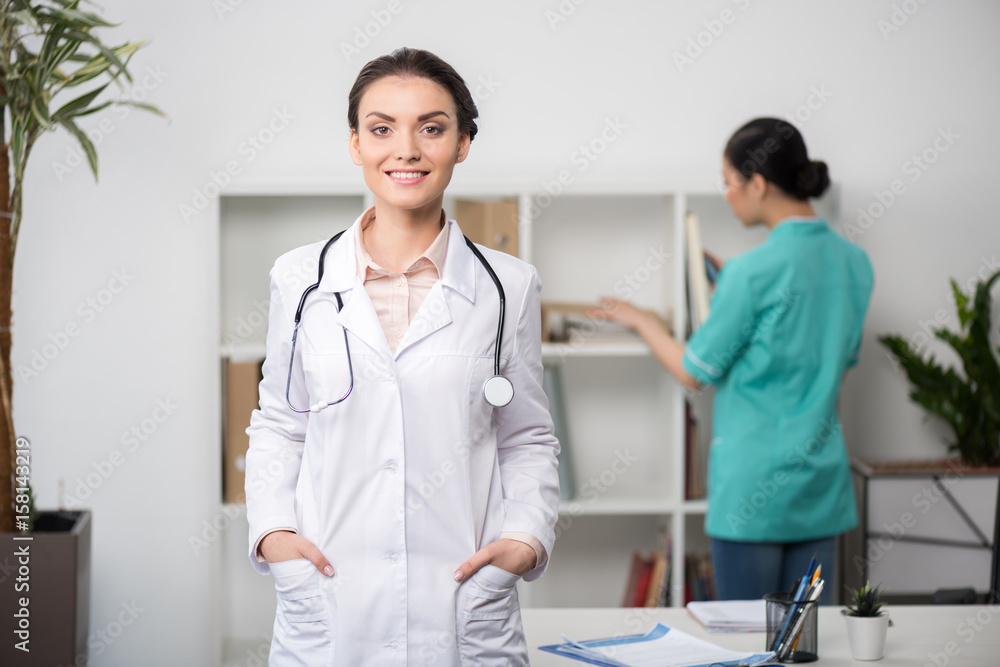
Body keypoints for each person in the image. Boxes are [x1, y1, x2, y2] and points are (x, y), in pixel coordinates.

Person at [244, 47, 560, 666]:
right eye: (382, 129)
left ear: (462, 144)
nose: (407, 150)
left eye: (432, 128)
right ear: (356, 144)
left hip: (462, 603)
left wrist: (525, 539)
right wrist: (275, 535)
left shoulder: (509, 287)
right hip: (331, 598)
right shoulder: (299, 279)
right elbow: (280, 423)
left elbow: (526, 436)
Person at [599, 118, 873, 602]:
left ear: (759, 184)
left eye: (728, 183)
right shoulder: (855, 263)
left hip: (754, 490)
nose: (726, 195)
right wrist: (735, 292)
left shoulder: (750, 274)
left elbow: (694, 371)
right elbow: (831, 358)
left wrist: (644, 321)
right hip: (821, 487)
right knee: (808, 637)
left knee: (745, 636)